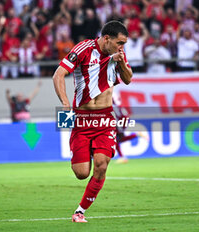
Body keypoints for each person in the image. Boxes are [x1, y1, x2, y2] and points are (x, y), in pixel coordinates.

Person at [52, 20, 132, 222]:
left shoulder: (119, 55)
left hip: (105, 118)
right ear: (107, 39)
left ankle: (80, 211)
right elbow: (58, 75)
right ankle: (87, 149)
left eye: (124, 43)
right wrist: (65, 102)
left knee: (101, 166)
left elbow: (129, 78)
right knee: (81, 173)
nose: (122, 47)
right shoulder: (84, 49)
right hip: (82, 118)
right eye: (119, 43)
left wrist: (121, 61)